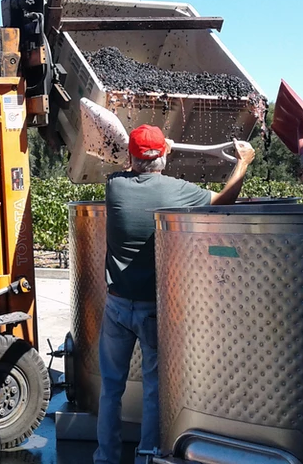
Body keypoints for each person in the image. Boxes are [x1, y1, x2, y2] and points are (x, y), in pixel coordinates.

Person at [94, 125, 255, 464]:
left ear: (131, 157)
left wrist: (153, 152)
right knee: (154, 389)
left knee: (111, 389)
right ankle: (147, 456)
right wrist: (242, 164)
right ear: (164, 158)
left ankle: (105, 458)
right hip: (155, 309)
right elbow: (224, 202)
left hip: (117, 306)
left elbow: (129, 164)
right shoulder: (179, 192)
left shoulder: (115, 186)